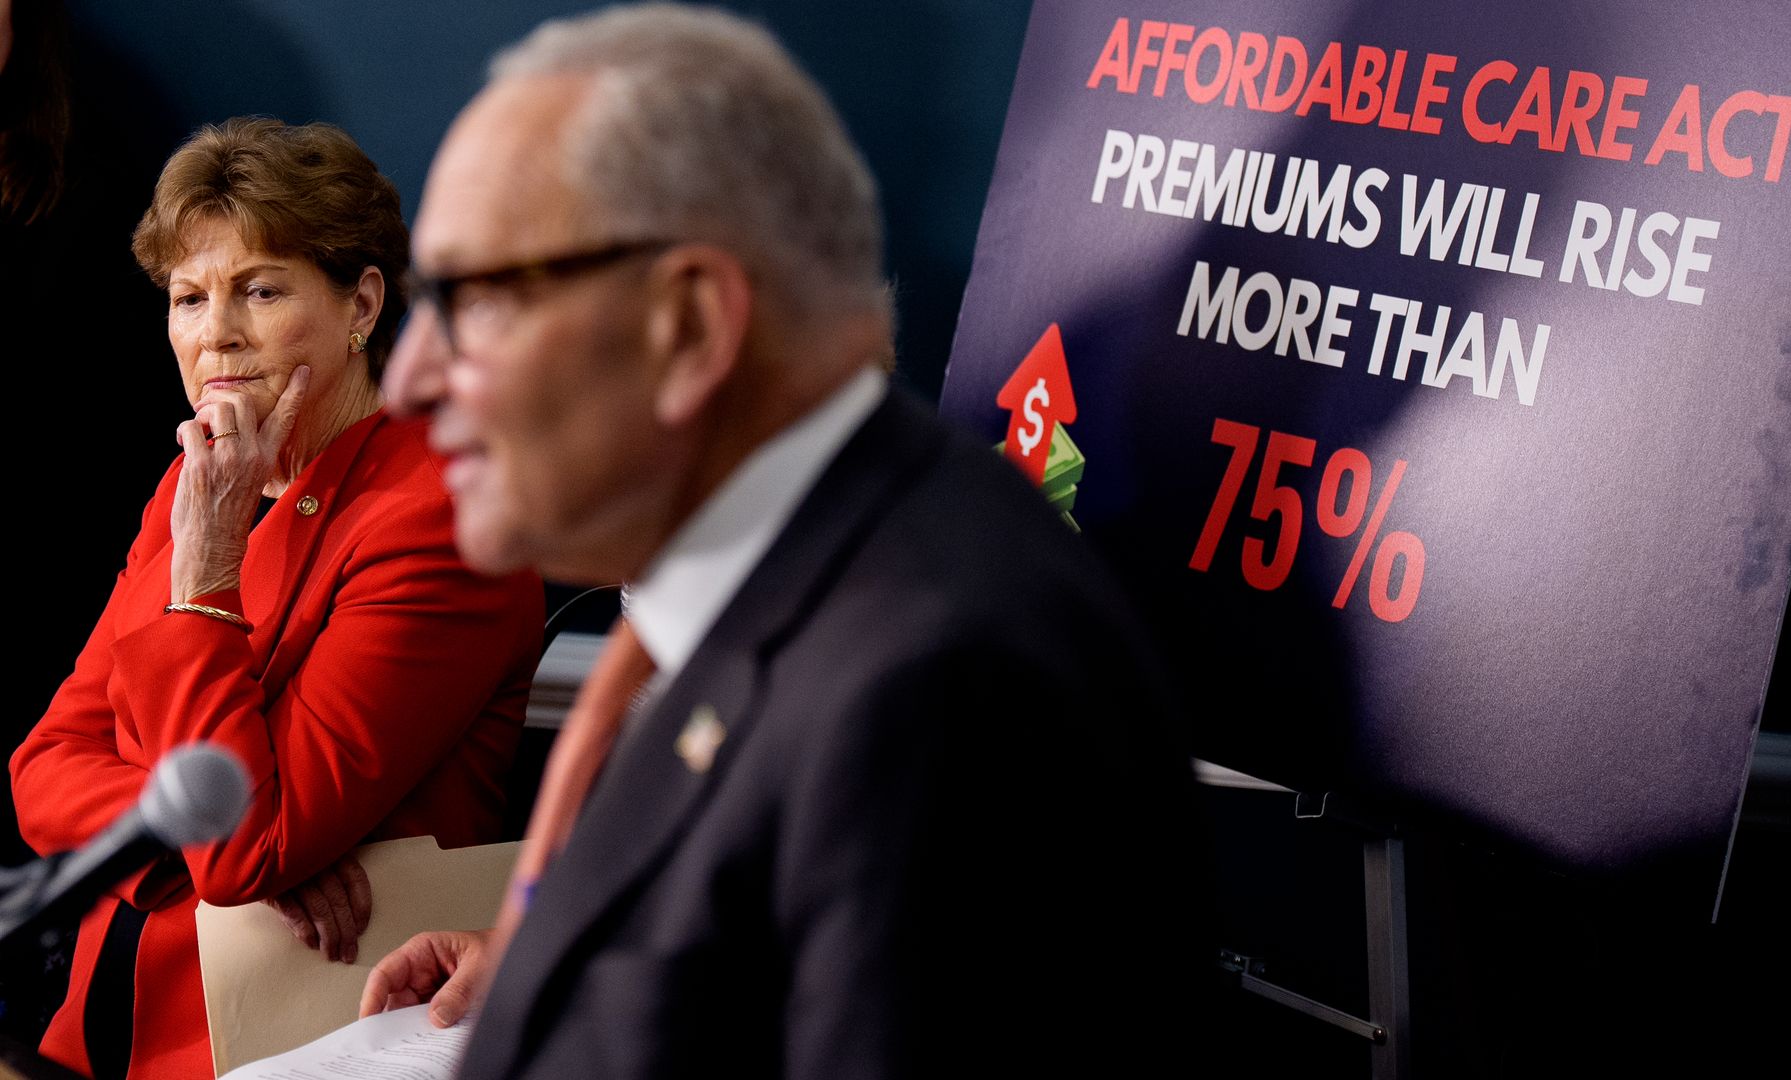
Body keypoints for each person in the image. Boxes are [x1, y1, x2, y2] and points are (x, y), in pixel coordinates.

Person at [359, 6, 1200, 1077]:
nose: (409, 383)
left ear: (695, 326)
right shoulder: (790, 587)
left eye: (472, 301)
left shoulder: (934, 692)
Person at [10, 117, 545, 1080]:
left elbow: (246, 848)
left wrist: (208, 571)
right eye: (187, 296)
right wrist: (205, 834)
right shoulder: (196, 485)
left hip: (306, 1042)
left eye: (259, 290)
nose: (215, 332)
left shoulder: (442, 518)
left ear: (362, 305)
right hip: (95, 1033)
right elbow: (40, 767)